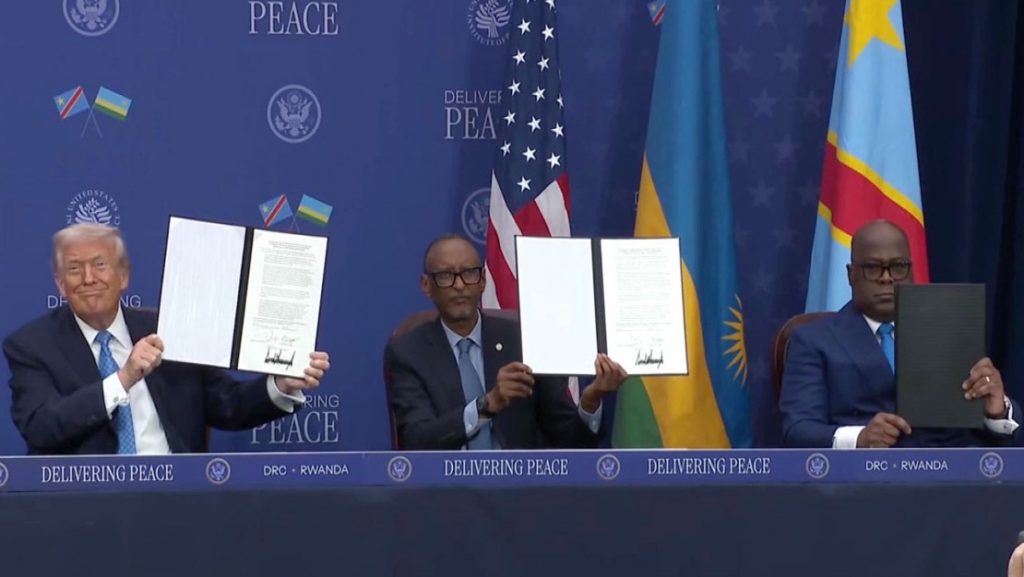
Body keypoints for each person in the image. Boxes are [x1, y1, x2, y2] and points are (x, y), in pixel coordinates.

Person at [3, 223, 331, 455]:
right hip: (85, 506)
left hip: (177, 497)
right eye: (75, 269)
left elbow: (228, 405)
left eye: (100, 265)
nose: (88, 278)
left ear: (123, 276)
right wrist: (123, 379)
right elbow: (41, 426)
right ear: (60, 284)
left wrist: (281, 384)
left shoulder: (170, 328)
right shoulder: (32, 346)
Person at [780, 220, 1019, 448]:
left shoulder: (948, 332)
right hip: (863, 472)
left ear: (911, 272)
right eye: (872, 268)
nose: (887, 278)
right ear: (851, 275)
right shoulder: (813, 340)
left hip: (947, 470)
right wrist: (860, 438)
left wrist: (996, 410)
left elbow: (992, 429)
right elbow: (798, 430)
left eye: (898, 267)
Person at [384, 234, 627, 450]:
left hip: (522, 483)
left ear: (483, 281)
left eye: (469, 273)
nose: (459, 285)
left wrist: (591, 400)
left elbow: (571, 442)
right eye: (446, 276)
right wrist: (487, 405)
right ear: (426, 285)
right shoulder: (409, 353)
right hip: (449, 484)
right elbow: (416, 439)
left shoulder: (524, 341)